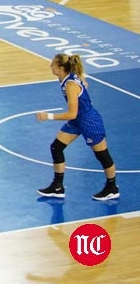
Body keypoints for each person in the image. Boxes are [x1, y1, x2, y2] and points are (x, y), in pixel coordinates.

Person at [36, 53, 119, 201]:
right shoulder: (69, 77)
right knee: (56, 147)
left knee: (102, 155)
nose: (51, 66)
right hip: (78, 121)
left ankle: (112, 187)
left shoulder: (70, 84)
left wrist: (47, 116)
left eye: (53, 64)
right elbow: (84, 83)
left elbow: (72, 114)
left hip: (88, 121)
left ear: (60, 68)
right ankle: (57, 186)